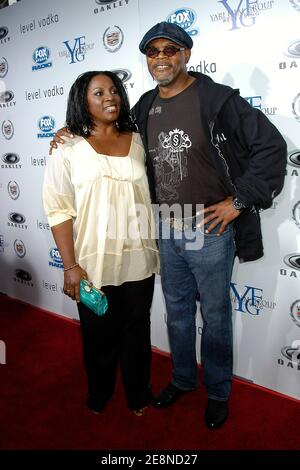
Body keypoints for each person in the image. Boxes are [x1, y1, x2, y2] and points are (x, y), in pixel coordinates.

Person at [49, 22, 287, 429]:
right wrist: (72, 131)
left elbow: (271, 146)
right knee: (176, 314)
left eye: (170, 49)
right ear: (147, 59)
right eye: (153, 51)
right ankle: (181, 379)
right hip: (162, 228)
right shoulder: (142, 107)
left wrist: (240, 200)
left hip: (208, 227)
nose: (161, 57)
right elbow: (110, 137)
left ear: (186, 55)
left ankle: (216, 391)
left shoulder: (216, 99)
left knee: (214, 315)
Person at [43, 71, 159, 416]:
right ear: (83, 100)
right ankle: (100, 393)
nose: (109, 97)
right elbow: (58, 210)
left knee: (137, 331)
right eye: (98, 92)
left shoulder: (137, 139)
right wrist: (70, 266)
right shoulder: (66, 147)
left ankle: (138, 395)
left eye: (113, 90)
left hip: (140, 256)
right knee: (98, 335)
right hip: (93, 261)